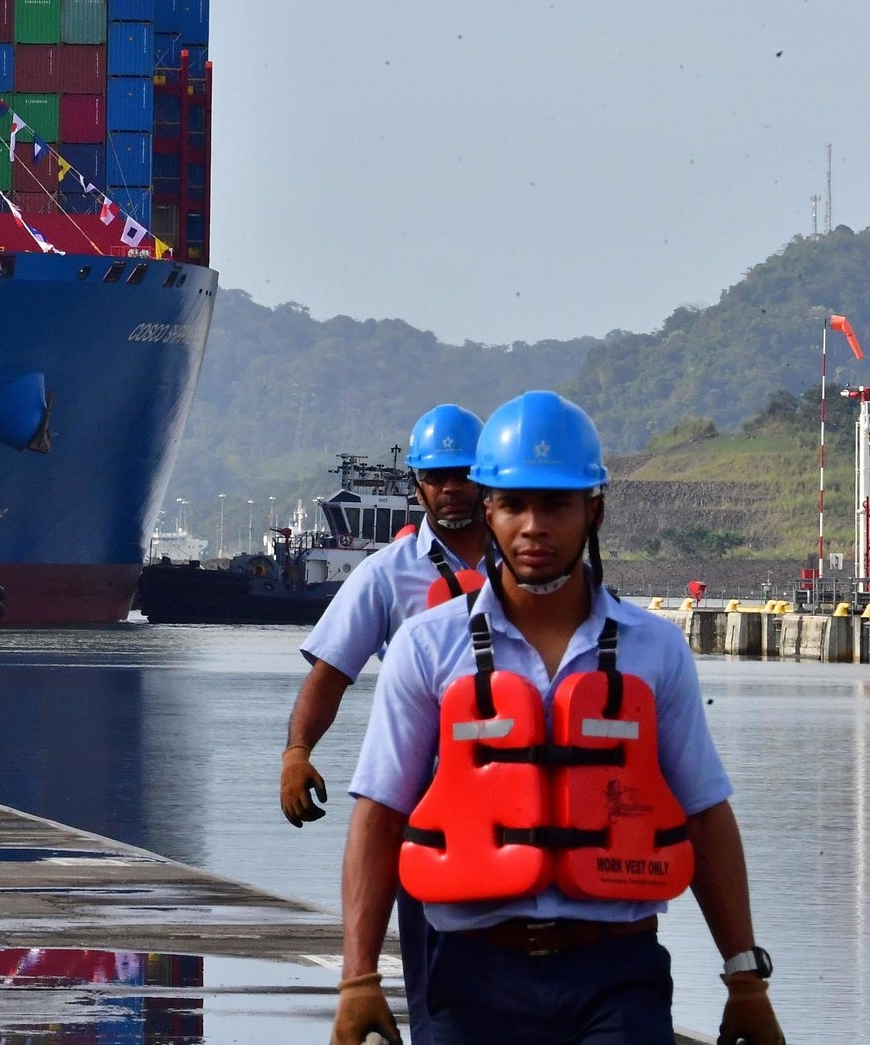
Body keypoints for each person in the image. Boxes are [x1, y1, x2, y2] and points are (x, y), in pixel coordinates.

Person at [333, 391, 783, 1045]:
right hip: (471, 973)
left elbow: (704, 813)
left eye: (556, 503)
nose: (534, 526)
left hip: (618, 972)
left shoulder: (655, 650)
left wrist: (744, 977)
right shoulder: (427, 647)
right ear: (488, 512)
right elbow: (379, 814)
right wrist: (358, 979)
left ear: (593, 511)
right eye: (514, 504)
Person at [284, 404, 489, 1045]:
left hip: (531, 810)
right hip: (430, 819)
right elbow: (329, 674)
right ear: (417, 485)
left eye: (464, 473)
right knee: (444, 1004)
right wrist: (297, 751)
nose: (451, 487)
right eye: (437, 475)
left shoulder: (532, 562)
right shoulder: (384, 576)